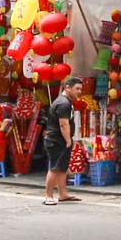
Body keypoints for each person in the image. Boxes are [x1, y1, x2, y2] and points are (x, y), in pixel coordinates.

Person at [40, 76, 86, 205]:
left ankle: (63, 194)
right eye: (77, 89)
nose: (79, 92)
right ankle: (48, 196)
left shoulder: (66, 102)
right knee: (55, 167)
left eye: (80, 89)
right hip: (57, 140)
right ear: (68, 88)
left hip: (60, 139)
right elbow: (63, 124)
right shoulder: (63, 104)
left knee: (62, 168)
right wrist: (68, 140)